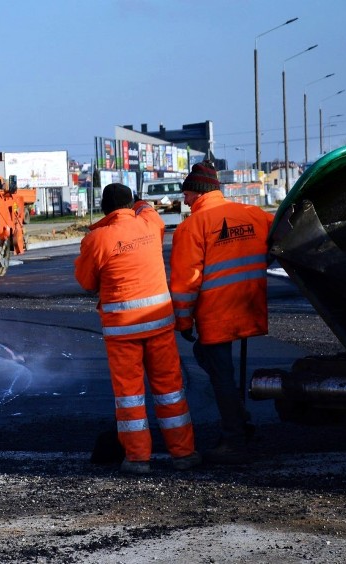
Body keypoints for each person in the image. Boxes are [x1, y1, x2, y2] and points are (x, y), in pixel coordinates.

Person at [75, 183, 200, 474]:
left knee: (130, 396)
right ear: (132, 205)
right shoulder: (150, 223)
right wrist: (138, 203)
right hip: (159, 325)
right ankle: (183, 454)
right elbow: (147, 210)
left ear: (105, 208)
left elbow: (86, 282)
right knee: (170, 391)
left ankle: (138, 458)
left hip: (122, 332)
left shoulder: (97, 239)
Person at [169, 161, 274, 464]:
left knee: (221, 375)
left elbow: (186, 281)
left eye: (186, 195)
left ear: (197, 192)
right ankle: (240, 423)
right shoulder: (253, 214)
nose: (184, 201)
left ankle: (235, 439)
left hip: (217, 311)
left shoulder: (193, 226)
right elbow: (280, 236)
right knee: (212, 362)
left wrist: (183, 320)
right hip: (249, 302)